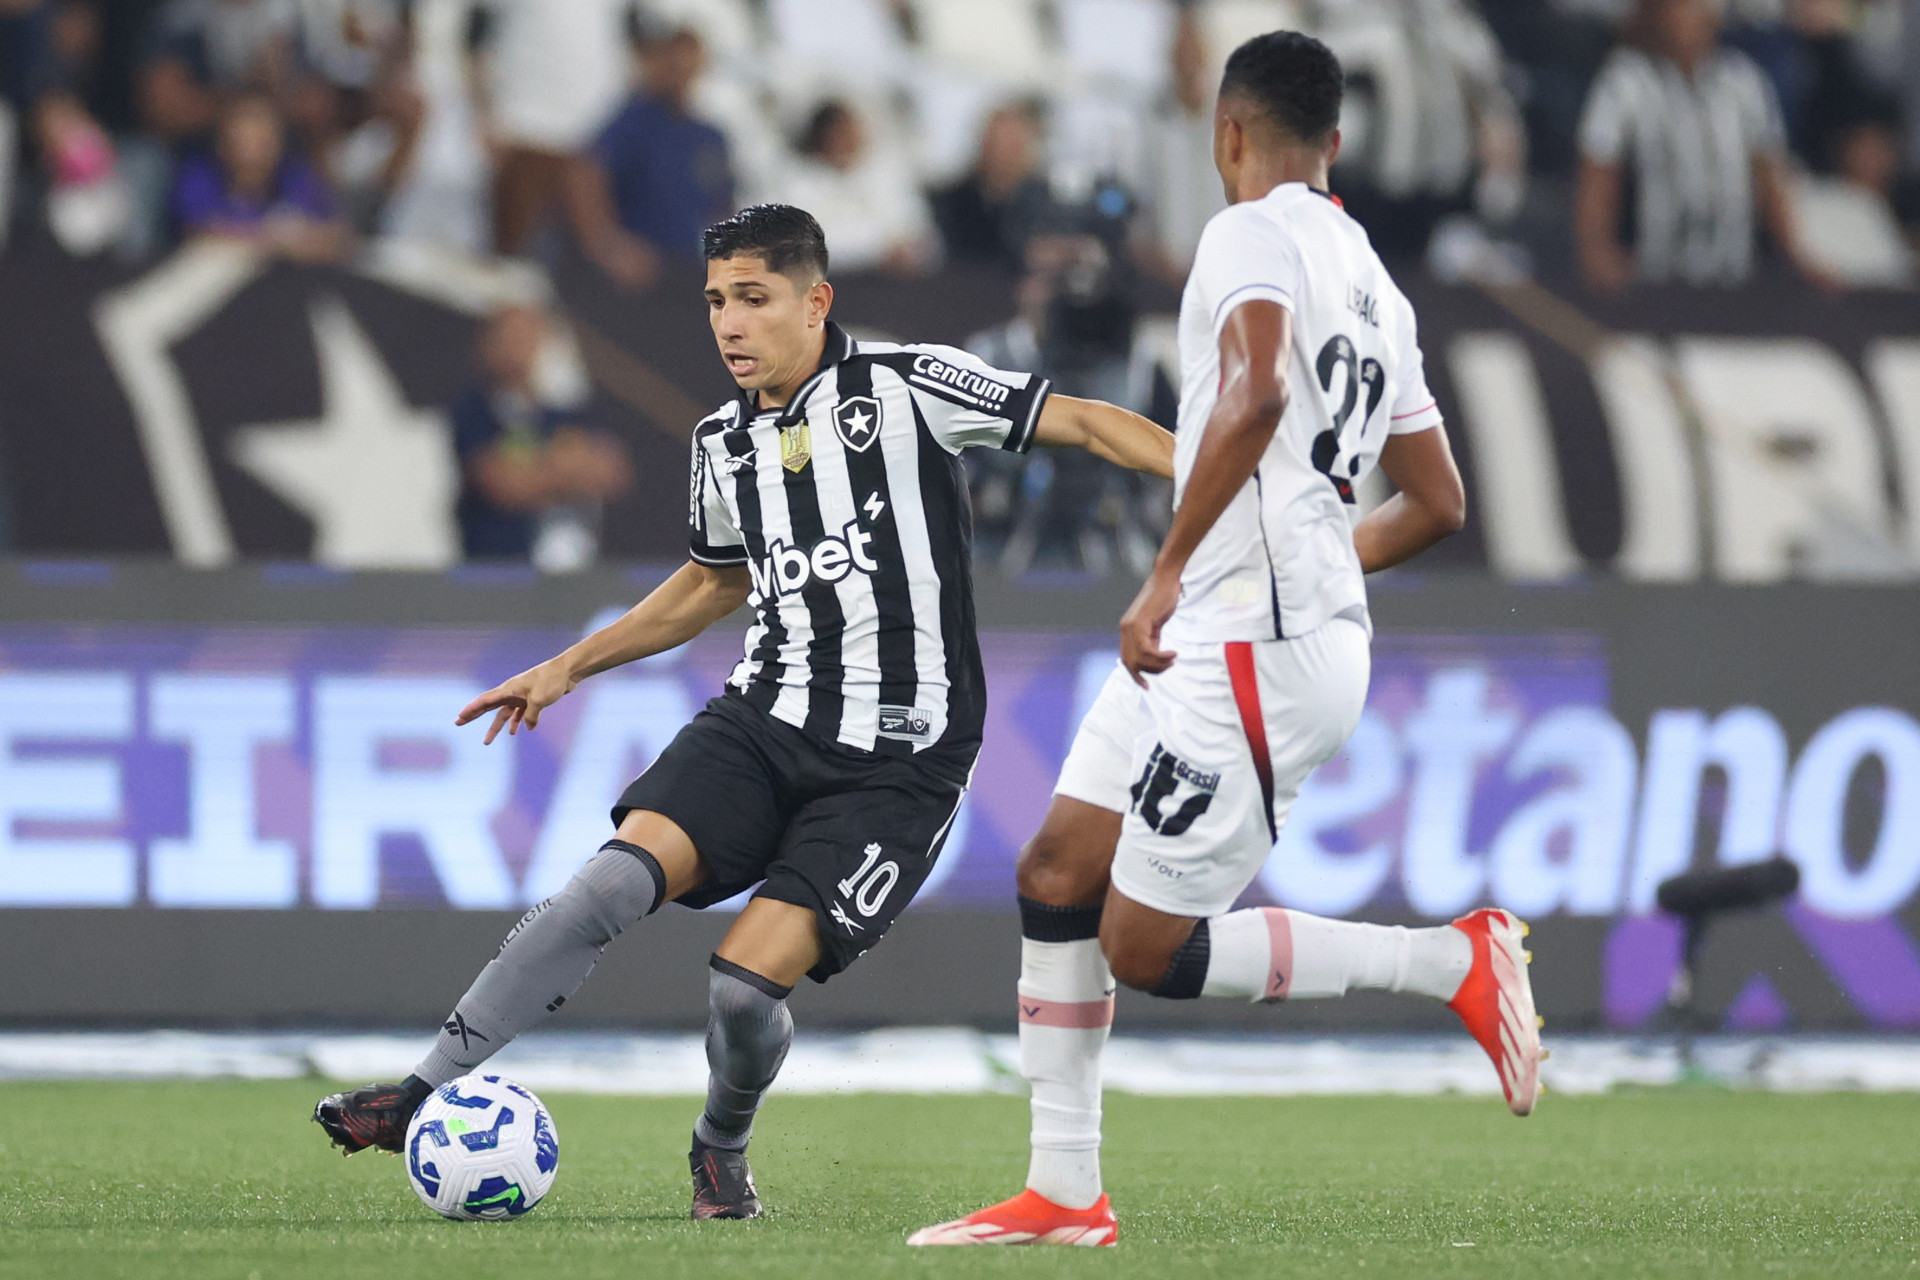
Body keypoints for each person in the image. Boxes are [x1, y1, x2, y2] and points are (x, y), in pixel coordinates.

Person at [312, 203, 1176, 1222]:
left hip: (899, 763)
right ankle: (415, 1095)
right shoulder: (721, 440)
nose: (730, 322)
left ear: (816, 303)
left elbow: (1081, 419)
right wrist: (569, 664)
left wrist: (1213, 476)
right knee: (601, 888)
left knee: (740, 991)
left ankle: (720, 1145)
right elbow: (712, 581)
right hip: (762, 722)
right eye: (718, 299)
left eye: (754, 298)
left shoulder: (907, 387)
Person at [909, 32, 1537, 1249]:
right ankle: (1065, 1191)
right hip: (1244, 621)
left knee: (1142, 944)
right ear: (1336, 143)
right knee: (1055, 868)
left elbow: (1248, 394)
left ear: (1227, 132)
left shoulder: (1246, 232)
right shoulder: (1372, 276)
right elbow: (1439, 499)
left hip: (1249, 641)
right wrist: (1295, 559)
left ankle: (1451, 958)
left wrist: (1167, 570)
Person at [1574, 0, 1826, 290]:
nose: (1691, 17)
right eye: (1680, 8)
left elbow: (1768, 174)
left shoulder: (1742, 80)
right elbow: (1599, 171)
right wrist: (1597, 250)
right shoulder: (1624, 81)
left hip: (1734, 278)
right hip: (1652, 278)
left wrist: (1794, 252)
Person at [452, 303, 634, 565]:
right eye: (510, 338)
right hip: (500, 571)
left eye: (528, 336)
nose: (520, 348)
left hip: (577, 570)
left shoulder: (568, 410)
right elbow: (504, 485)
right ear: (488, 345)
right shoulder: (474, 410)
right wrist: (566, 467)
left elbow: (611, 474)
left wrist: (536, 471)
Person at [566, 23, 733, 289]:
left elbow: (723, 203)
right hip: (642, 272)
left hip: (692, 269)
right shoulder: (632, 123)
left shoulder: (709, 137)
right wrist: (607, 244)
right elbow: (585, 176)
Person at [171, 88, 346, 260]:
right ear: (224, 142)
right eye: (246, 137)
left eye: (265, 136)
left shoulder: (296, 176)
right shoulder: (199, 177)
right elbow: (200, 236)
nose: (256, 149)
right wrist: (276, 239)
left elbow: (336, 239)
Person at [772, 98, 933, 275]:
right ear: (820, 136)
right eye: (837, 133)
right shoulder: (795, 182)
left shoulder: (887, 178)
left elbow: (922, 240)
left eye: (850, 132)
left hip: (889, 287)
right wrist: (875, 252)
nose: (845, 140)